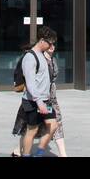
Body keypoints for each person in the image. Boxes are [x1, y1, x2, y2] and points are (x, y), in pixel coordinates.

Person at [18, 27, 58, 157]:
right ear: (42, 40)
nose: (51, 46)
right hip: (32, 101)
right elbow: (30, 83)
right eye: (50, 43)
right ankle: (27, 154)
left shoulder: (42, 55)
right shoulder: (30, 57)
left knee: (53, 125)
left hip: (45, 100)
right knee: (32, 130)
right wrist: (39, 102)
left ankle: (39, 152)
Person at [44, 39, 67, 157]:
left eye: (54, 44)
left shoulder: (53, 60)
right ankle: (18, 150)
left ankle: (63, 155)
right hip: (41, 100)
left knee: (57, 123)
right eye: (50, 44)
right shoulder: (40, 60)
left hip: (52, 99)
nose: (52, 47)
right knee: (33, 127)